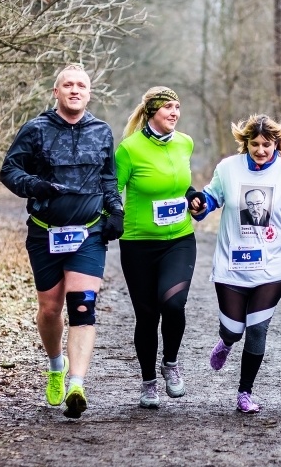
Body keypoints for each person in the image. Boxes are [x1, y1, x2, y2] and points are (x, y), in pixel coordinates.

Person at [0, 64, 124, 419]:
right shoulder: (36, 129)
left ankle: (76, 384)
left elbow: (108, 178)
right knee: (51, 309)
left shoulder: (101, 131)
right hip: (45, 232)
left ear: (89, 93)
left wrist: (116, 212)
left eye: (81, 85)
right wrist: (34, 185)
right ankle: (56, 365)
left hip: (88, 233)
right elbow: (9, 171)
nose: (74, 90)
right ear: (56, 92)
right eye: (67, 85)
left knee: (82, 305)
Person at [190, 114, 281, 414]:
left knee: (257, 329)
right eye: (255, 144)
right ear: (246, 143)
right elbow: (212, 198)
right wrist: (199, 204)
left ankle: (244, 392)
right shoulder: (228, 169)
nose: (261, 150)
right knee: (234, 330)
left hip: (272, 266)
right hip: (231, 264)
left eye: (267, 144)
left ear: (277, 144)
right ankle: (225, 342)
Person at [115, 86, 203, 409]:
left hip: (179, 239)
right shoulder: (129, 149)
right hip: (138, 245)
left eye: (177, 107)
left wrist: (193, 196)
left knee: (174, 303)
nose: (174, 113)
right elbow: (113, 190)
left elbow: (180, 184)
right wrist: (112, 217)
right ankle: (149, 381)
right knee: (147, 315)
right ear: (152, 111)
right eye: (168, 107)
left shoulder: (185, 143)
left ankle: (171, 362)